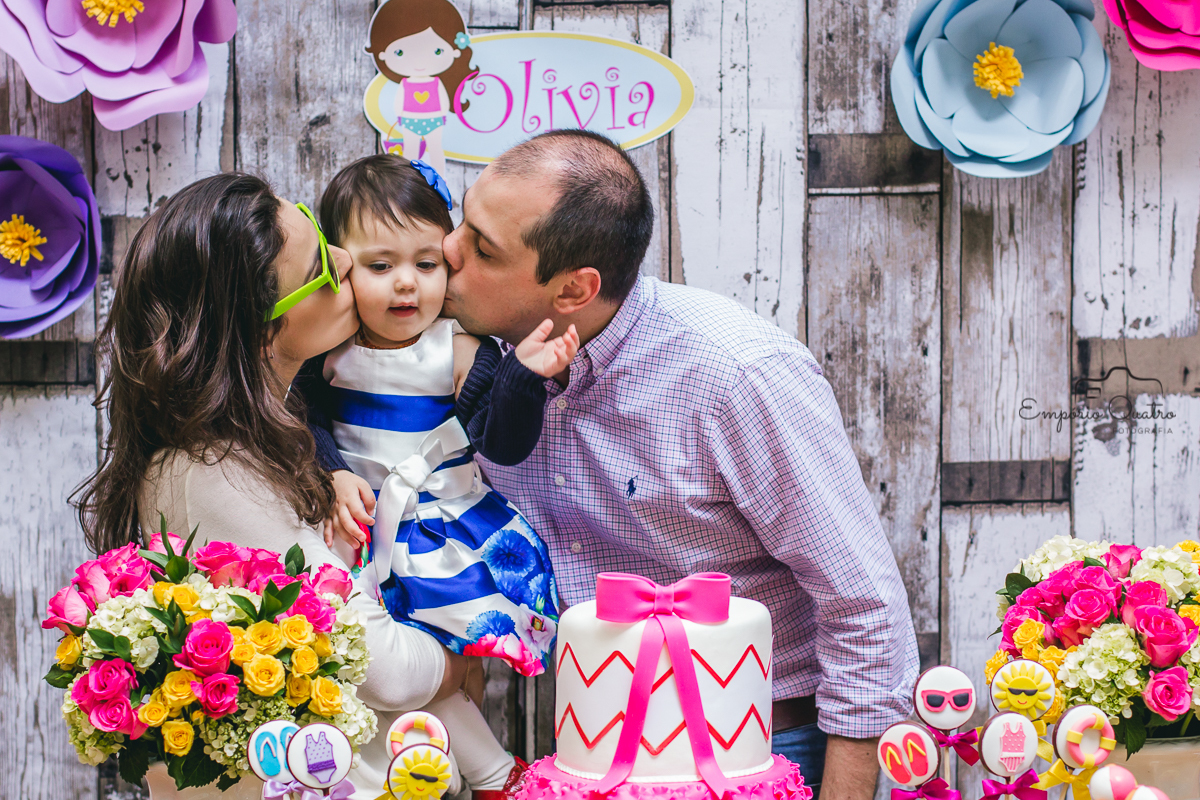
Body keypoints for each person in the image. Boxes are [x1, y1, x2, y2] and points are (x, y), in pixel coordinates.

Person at [440, 129, 921, 800]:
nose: (446, 249)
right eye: (463, 219)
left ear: (575, 289)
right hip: (587, 754)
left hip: (762, 749)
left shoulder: (736, 374)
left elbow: (863, 601)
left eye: (482, 247)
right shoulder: (462, 358)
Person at [74, 172, 473, 799]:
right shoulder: (208, 471)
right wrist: (470, 657)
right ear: (263, 329)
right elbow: (387, 670)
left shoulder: (284, 435)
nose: (345, 257)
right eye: (321, 261)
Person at [293, 154, 577, 798]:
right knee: (373, 676)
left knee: (444, 672)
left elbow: (502, 444)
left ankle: (489, 775)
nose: (405, 286)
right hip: (359, 531)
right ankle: (472, 776)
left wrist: (521, 380)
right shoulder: (328, 349)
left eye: (425, 264)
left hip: (442, 533)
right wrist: (333, 474)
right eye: (379, 266)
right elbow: (299, 421)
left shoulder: (458, 347)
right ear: (340, 267)